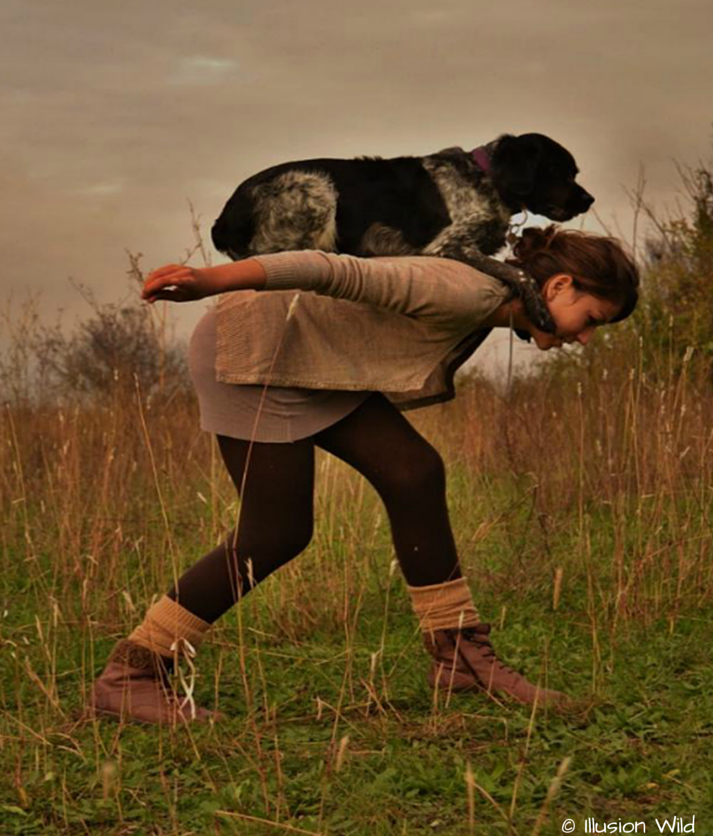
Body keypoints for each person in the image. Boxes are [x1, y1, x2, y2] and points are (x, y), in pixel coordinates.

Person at [90, 227, 639, 724]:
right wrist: (210, 279)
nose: (585, 339)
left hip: (309, 363)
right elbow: (331, 268)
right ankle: (133, 673)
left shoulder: (495, 300)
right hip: (253, 353)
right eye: (591, 319)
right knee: (275, 532)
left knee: (414, 472)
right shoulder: (466, 291)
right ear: (560, 286)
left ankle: (462, 659)